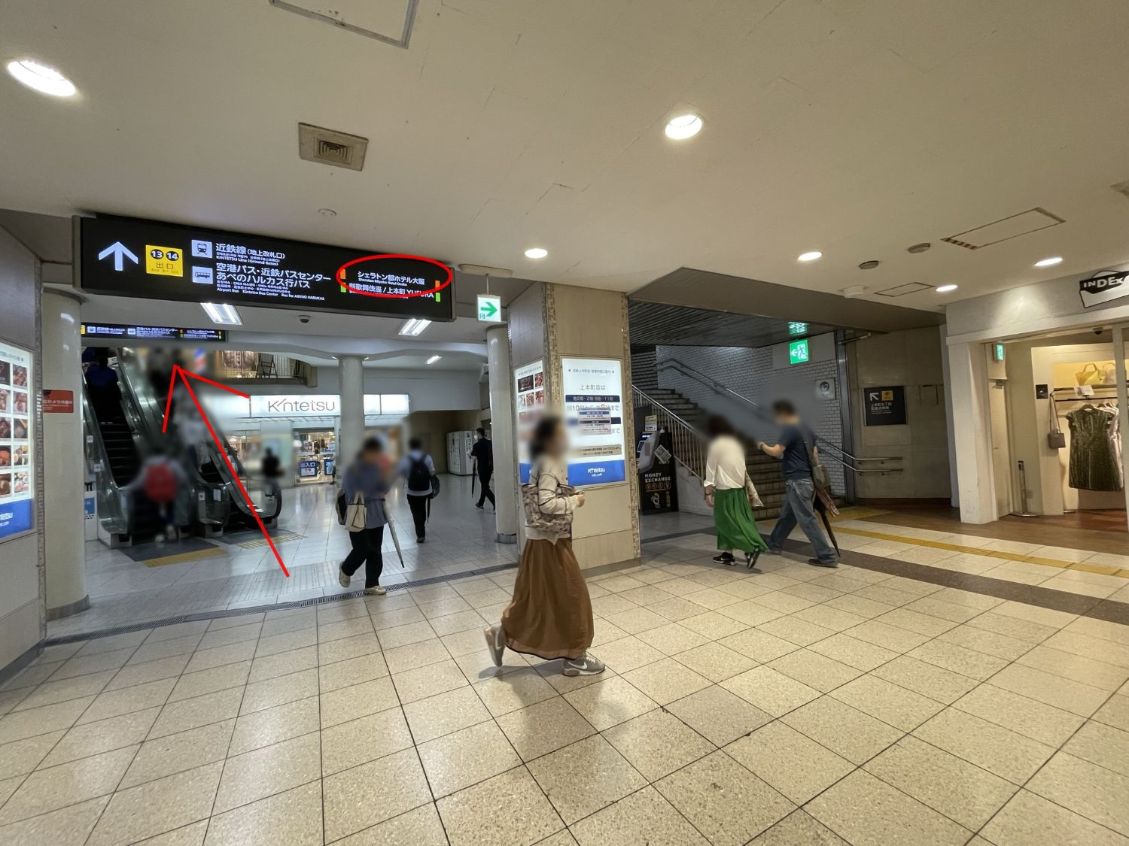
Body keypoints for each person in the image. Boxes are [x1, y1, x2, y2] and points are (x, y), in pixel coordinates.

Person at [484, 416, 604, 677]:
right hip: (551, 544)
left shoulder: (541, 459)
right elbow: (547, 504)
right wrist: (575, 501)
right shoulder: (551, 462)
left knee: (537, 599)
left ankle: (501, 632)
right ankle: (575, 658)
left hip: (539, 542)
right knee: (573, 597)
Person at [759, 399, 839, 568]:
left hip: (797, 481)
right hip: (807, 479)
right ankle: (774, 544)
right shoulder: (806, 428)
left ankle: (827, 557)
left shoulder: (789, 428)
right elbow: (814, 455)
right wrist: (816, 478)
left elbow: (776, 452)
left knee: (807, 520)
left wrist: (762, 445)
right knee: (787, 516)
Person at [704, 415, 768, 568]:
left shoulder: (716, 445)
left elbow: (710, 470)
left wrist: (708, 492)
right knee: (740, 521)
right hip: (739, 491)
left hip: (725, 491)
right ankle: (727, 554)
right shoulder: (736, 444)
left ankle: (752, 547)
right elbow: (741, 467)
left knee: (727, 524)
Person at [338, 437, 391, 596]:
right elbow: (351, 493)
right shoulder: (352, 469)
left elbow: (385, 487)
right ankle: (346, 568)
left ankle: (372, 584)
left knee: (375, 550)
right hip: (358, 514)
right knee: (362, 549)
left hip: (377, 514)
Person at [399, 437, 436, 543]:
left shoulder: (406, 458)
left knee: (415, 513)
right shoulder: (427, 457)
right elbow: (432, 471)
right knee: (422, 510)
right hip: (426, 490)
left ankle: (420, 534)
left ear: (410, 446)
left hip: (412, 491)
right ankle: (422, 527)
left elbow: (402, 473)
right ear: (420, 446)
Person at [85, 349, 124, 423]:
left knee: (99, 406)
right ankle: (109, 419)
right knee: (107, 406)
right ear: (106, 362)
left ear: (99, 362)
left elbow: (88, 378)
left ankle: (100, 420)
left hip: (96, 393)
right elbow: (114, 381)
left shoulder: (92, 370)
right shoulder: (111, 372)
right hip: (107, 393)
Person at [470, 427, 495, 510]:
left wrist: (468, 454)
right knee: (485, 485)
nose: (475, 435)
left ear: (479, 434)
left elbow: (473, 458)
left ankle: (495, 503)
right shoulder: (490, 443)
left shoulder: (476, 445)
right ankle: (481, 503)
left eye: (476, 434)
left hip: (482, 468)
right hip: (490, 468)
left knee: (485, 487)